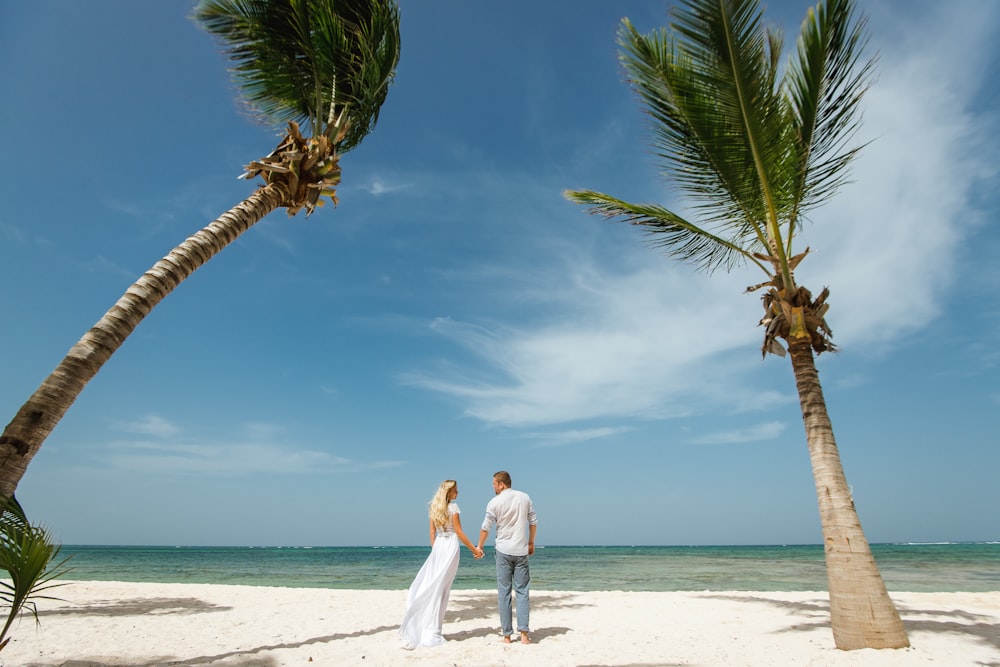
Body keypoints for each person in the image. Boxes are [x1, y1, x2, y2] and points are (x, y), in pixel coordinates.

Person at [399, 479, 483, 649]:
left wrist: (435, 551)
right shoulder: (453, 508)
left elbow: (432, 533)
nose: (458, 493)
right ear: (449, 492)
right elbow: (458, 532)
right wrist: (474, 549)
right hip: (450, 546)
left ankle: (428, 628)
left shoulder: (434, 508)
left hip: (438, 547)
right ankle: (433, 631)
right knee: (443, 588)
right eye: (456, 490)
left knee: (434, 585)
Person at [476, 470, 537, 644]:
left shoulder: (494, 502)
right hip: (520, 550)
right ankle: (524, 635)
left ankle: (507, 636)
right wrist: (531, 542)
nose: (493, 487)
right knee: (523, 591)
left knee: (504, 592)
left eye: (494, 484)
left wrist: (479, 546)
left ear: (501, 484)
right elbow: (533, 521)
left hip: (503, 550)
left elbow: (485, 528)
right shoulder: (525, 497)